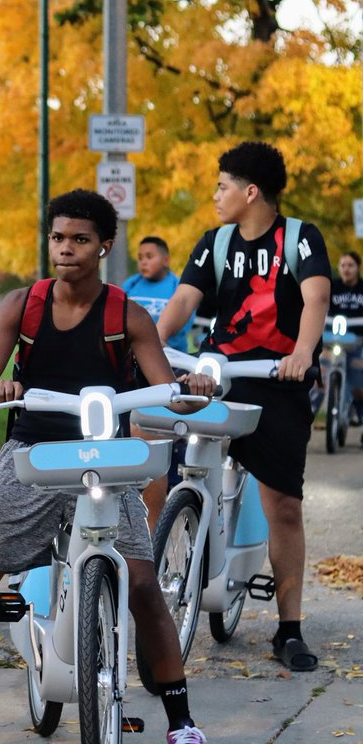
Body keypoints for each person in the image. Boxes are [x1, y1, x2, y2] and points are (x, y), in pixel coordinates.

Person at [0, 190, 216, 744]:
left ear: (103, 246)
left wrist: (192, 391)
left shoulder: (126, 313)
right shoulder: (23, 304)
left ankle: (182, 724)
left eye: (80, 240)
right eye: (58, 238)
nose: (66, 249)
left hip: (106, 459)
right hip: (33, 453)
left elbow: (165, 390)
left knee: (143, 584)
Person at [158, 142, 330, 673]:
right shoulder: (216, 242)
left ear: (250, 191)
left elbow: (317, 296)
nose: (216, 195)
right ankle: (159, 584)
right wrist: (145, 350)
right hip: (218, 375)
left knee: (283, 504)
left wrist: (302, 352)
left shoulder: (300, 238)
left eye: (222, 186)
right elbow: (184, 301)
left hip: (277, 379)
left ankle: (289, 629)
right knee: (162, 457)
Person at [124, 236, 195, 529]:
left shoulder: (176, 286)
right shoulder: (131, 286)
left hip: (170, 358)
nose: (144, 262)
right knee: (136, 416)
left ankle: (173, 466)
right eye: (140, 256)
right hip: (133, 360)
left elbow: (185, 317)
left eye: (150, 256)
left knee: (168, 415)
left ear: (165, 259)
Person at [327, 251, 363, 429]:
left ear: (358, 268)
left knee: (358, 380)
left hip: (358, 340)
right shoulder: (332, 287)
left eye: (350, 265)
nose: (346, 269)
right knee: (320, 374)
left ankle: (359, 414)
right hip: (334, 339)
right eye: (343, 265)